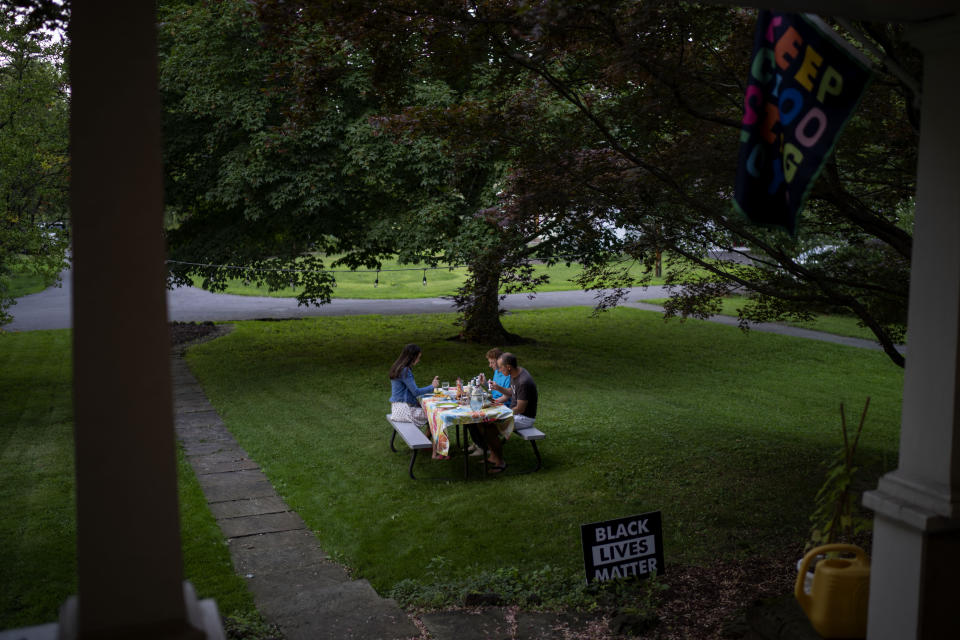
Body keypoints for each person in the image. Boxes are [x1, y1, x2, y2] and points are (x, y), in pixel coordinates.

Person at [478, 351, 538, 474]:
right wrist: (497, 388)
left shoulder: (523, 381)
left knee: (490, 426)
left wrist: (500, 414)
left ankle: (500, 462)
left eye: (500, 367)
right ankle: (493, 456)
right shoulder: (516, 373)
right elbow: (511, 392)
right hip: (514, 412)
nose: (499, 370)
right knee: (482, 422)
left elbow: (520, 409)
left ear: (508, 367)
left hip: (524, 418)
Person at [469, 348, 512, 457]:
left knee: (475, 418)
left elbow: (506, 396)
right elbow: (494, 389)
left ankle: (483, 447)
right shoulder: (497, 372)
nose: (490, 365)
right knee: (470, 416)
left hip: (503, 407)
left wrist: (492, 402)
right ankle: (478, 443)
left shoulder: (507, 375)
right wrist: (484, 383)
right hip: (494, 403)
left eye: (492, 362)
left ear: (499, 362)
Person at [388, 344, 438, 428]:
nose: (418, 360)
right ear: (412, 357)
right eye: (418, 358)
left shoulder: (397, 367)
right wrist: (432, 386)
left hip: (396, 409)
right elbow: (416, 392)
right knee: (435, 416)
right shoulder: (405, 371)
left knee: (431, 413)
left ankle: (428, 440)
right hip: (405, 411)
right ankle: (430, 441)